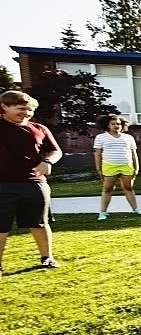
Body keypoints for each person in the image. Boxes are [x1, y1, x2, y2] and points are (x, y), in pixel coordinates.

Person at [0, 90, 62, 278]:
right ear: (4, 106)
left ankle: (47, 257)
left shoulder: (39, 128)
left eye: (29, 110)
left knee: (40, 223)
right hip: (2, 184)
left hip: (34, 183)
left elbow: (55, 151)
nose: (26, 114)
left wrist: (48, 161)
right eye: (21, 109)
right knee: (1, 226)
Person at [93, 114, 141, 220]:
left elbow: (133, 153)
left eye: (118, 124)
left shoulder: (128, 138)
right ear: (107, 125)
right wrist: (99, 168)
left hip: (126, 166)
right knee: (107, 189)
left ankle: (136, 209)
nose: (116, 126)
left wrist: (136, 167)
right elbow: (97, 154)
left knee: (128, 188)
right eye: (113, 124)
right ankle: (103, 212)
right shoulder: (101, 137)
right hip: (109, 166)